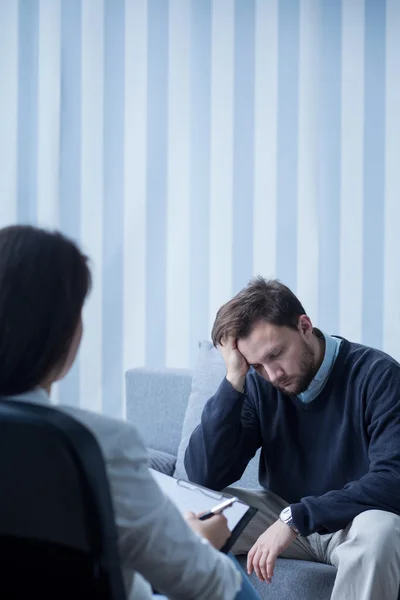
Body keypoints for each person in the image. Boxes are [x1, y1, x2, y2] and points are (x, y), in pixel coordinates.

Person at [0, 225, 260, 600]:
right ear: (66, 333)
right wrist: (202, 542)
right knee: (229, 579)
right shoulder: (99, 445)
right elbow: (204, 584)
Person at [185, 276, 400, 600]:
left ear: (304, 326)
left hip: (353, 521)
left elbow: (393, 480)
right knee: (193, 513)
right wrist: (234, 379)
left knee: (382, 533)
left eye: (276, 354)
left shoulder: (377, 375)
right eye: (257, 365)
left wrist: (297, 518)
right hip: (284, 510)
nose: (272, 375)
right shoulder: (260, 385)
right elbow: (204, 474)